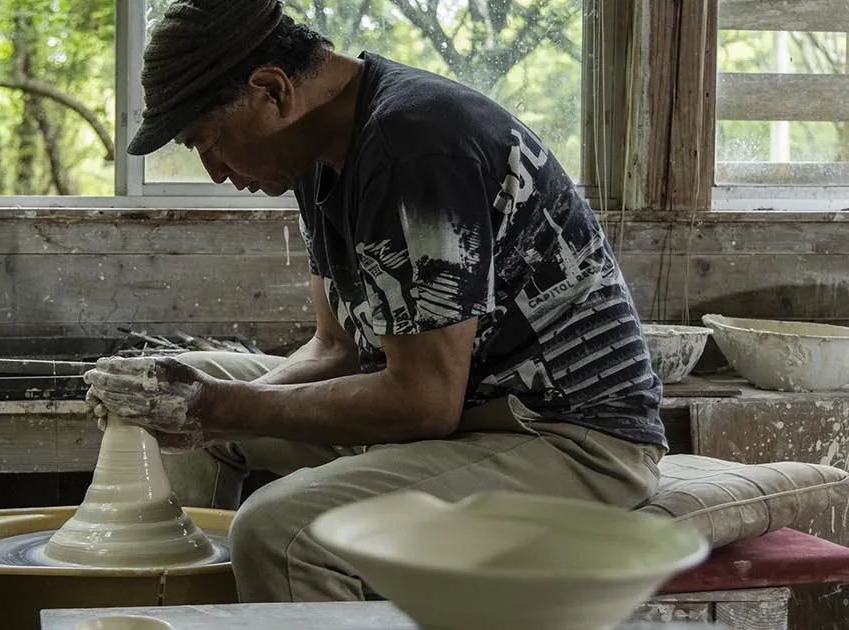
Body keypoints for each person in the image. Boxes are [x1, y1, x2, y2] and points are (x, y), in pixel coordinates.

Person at [82, 0, 667, 603]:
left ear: (271, 91)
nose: (214, 172)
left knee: (280, 530)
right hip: (466, 414)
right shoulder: (317, 150)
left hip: (570, 439)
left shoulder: (414, 144)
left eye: (211, 142)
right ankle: (182, 612)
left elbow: (424, 401)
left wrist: (223, 409)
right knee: (178, 398)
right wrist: (207, 406)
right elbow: (336, 347)